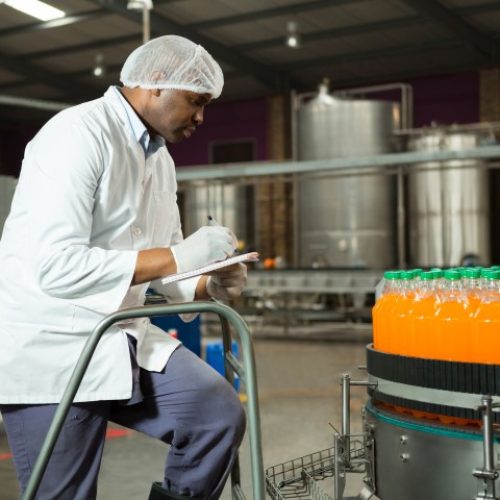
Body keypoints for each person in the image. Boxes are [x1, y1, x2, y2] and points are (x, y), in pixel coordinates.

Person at [0, 35, 248, 500]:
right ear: (155, 84)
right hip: (53, 346)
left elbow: (169, 270)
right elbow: (57, 266)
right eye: (195, 101)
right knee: (66, 493)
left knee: (215, 414)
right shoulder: (76, 134)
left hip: (120, 335)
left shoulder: (161, 160)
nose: (201, 117)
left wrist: (209, 282)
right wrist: (182, 256)